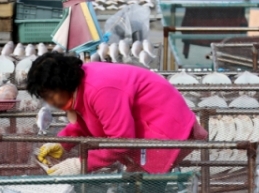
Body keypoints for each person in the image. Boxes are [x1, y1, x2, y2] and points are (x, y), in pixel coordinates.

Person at [26, 51, 206, 174]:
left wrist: (80, 164)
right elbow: (90, 118)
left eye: (49, 95)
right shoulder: (79, 85)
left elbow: (121, 141)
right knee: (136, 184)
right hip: (143, 125)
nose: (49, 102)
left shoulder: (100, 89)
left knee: (147, 187)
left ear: (61, 85)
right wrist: (63, 143)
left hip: (163, 124)